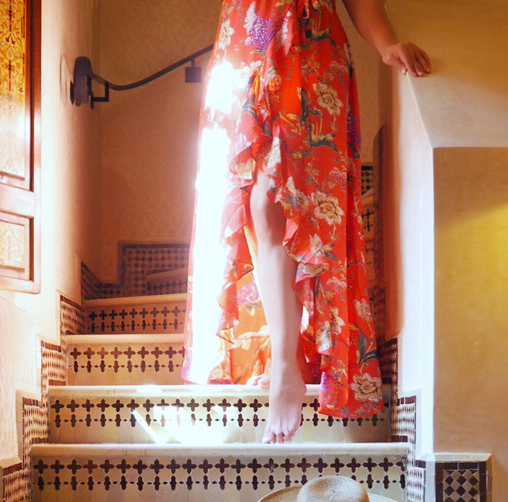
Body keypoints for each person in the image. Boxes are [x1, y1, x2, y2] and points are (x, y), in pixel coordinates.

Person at [182, 0, 430, 443]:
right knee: (250, 200)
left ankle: (286, 368)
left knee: (286, 200)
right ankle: (287, 354)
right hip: (245, 40)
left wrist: (386, 43)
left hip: (312, 44)